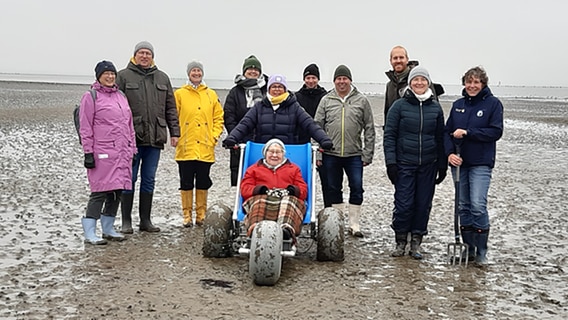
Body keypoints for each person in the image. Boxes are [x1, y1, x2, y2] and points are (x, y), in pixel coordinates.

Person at [383, 66, 447, 259]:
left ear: (428, 82)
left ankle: (416, 242)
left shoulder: (435, 107)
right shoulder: (399, 106)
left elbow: (440, 137)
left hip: (428, 164)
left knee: (422, 204)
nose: (419, 83)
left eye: (423, 80)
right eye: (415, 80)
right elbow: (389, 136)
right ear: (410, 82)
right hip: (404, 164)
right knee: (403, 204)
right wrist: (391, 163)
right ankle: (400, 241)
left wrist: (442, 165)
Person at [116, 41, 180, 233]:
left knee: (149, 178)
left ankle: (145, 220)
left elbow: (171, 107)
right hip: (131, 138)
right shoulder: (123, 76)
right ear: (134, 55)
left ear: (152, 56)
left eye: (148, 53)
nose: (144, 56)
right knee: (129, 178)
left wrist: (174, 132)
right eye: (141, 53)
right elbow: (115, 106)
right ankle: (126, 221)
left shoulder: (162, 77)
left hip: (155, 137)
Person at [444, 66, 503, 266]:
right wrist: (449, 153)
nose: (472, 85)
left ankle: (482, 251)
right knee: (463, 207)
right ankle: (468, 249)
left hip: (481, 163)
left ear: (483, 84)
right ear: (464, 83)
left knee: (478, 205)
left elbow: (495, 132)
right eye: (469, 82)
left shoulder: (493, 104)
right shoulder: (458, 105)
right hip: (459, 163)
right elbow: (447, 132)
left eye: (476, 82)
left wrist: (469, 132)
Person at [79, 60, 137, 244]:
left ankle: (108, 228)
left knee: (116, 191)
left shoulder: (121, 95)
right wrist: (88, 152)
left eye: (112, 73)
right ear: (99, 76)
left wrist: (132, 148)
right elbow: (85, 126)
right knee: (100, 191)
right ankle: (89, 232)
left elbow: (129, 125)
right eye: (106, 74)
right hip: (102, 151)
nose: (110, 76)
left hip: (121, 152)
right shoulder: (91, 96)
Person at [314, 65, 376, 238]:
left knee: (356, 187)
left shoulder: (361, 100)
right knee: (334, 188)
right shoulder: (326, 100)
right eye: (338, 79)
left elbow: (369, 128)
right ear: (334, 81)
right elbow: (316, 127)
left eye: (344, 78)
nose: (342, 82)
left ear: (350, 80)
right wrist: (318, 153)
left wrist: (367, 153)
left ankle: (354, 224)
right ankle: (337, 223)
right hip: (330, 154)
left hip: (354, 154)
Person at [174, 61, 224, 228]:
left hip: (205, 145)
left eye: (198, 71)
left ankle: (201, 214)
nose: (196, 73)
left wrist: (214, 136)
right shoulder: (180, 94)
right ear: (188, 73)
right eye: (193, 71)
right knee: (186, 181)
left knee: (203, 181)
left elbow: (218, 118)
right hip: (186, 145)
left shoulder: (211, 94)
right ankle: (186, 214)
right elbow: (173, 117)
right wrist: (176, 135)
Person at [223, 74, 333, 148]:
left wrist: (324, 140)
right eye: (274, 86)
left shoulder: (294, 107)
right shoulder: (259, 107)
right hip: (263, 152)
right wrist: (232, 138)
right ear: (269, 89)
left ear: (285, 89)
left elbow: (310, 124)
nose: (277, 89)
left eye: (280, 87)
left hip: (288, 152)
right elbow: (244, 124)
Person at [240, 139, 308, 242]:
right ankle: (255, 229)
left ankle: (286, 231)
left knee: (288, 202)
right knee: (259, 202)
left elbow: (303, 190)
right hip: (261, 198)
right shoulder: (253, 169)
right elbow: (245, 189)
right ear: (265, 153)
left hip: (286, 199)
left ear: (283, 154)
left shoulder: (294, 169)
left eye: (278, 152)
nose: (274, 155)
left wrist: (292, 191)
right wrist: (260, 190)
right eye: (271, 151)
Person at [224, 55, 268, 187]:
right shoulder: (235, 92)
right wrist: (235, 136)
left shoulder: (267, 89)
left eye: (256, 69)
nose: (253, 71)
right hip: (241, 141)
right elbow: (229, 116)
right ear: (244, 71)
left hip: (263, 140)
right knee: (240, 177)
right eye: (250, 69)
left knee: (263, 176)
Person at [295, 63, 332, 208]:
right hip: (302, 143)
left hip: (321, 141)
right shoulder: (297, 97)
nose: (311, 81)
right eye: (308, 77)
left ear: (318, 79)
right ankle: (302, 207)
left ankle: (328, 208)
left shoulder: (326, 96)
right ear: (304, 79)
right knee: (302, 178)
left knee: (327, 180)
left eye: (314, 78)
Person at [383, 46, 443, 129]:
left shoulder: (419, 81)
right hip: (397, 136)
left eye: (401, 57)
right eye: (395, 58)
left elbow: (434, 110)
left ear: (407, 59)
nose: (398, 61)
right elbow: (387, 112)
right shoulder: (390, 85)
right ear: (391, 61)